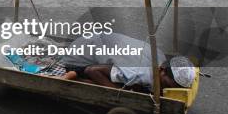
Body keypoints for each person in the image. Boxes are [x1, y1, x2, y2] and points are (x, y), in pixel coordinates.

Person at [60, 33, 196, 91]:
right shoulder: (137, 73)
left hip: (93, 42)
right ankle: (74, 75)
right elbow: (92, 70)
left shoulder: (159, 56)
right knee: (121, 84)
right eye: (168, 85)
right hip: (77, 58)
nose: (168, 89)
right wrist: (117, 92)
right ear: (161, 71)